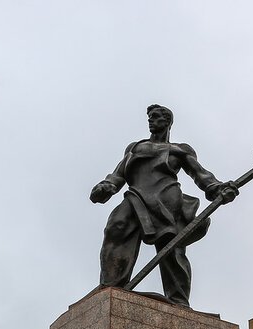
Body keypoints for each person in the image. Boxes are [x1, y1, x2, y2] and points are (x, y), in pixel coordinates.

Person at [90, 104, 238, 307]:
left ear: (167, 122)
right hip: (136, 196)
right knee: (116, 226)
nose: (151, 120)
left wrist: (216, 188)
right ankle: (111, 285)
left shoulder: (179, 150)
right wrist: (107, 186)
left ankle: (178, 300)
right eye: (150, 117)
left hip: (167, 199)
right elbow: (119, 174)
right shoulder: (135, 147)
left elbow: (201, 174)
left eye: (156, 116)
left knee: (172, 249)